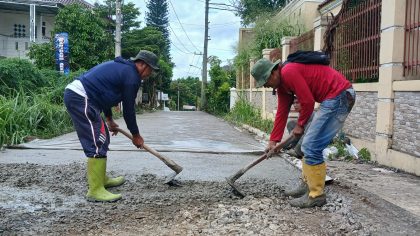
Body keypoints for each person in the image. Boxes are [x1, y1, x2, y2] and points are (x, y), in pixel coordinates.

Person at [251, 57, 355, 208]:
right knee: (308, 146)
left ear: (273, 73)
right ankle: (307, 185)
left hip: (340, 95)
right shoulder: (282, 86)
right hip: (331, 98)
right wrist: (273, 141)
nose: (266, 86)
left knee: (311, 145)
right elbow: (282, 112)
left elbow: (307, 101)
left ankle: (316, 195)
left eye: (266, 82)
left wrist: (300, 126)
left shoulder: (289, 72)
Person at [64, 50, 160, 202]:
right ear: (142, 64)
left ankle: (101, 180)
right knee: (98, 141)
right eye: (150, 70)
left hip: (88, 98)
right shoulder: (131, 76)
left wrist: (109, 119)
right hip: (81, 97)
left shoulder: (124, 70)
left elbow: (105, 94)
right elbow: (129, 109)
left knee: (103, 136)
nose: (150, 75)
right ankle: (95, 190)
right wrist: (135, 135)